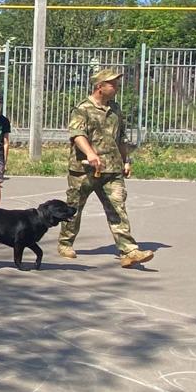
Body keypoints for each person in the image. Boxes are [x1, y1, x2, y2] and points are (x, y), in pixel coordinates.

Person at [57, 68, 155, 268]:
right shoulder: (82, 109)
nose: (116, 87)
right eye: (112, 84)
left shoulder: (115, 109)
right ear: (99, 87)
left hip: (111, 169)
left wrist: (126, 160)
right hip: (84, 170)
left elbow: (121, 138)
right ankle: (65, 243)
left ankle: (129, 250)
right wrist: (90, 153)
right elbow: (77, 135)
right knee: (74, 208)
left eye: (117, 83)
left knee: (118, 208)